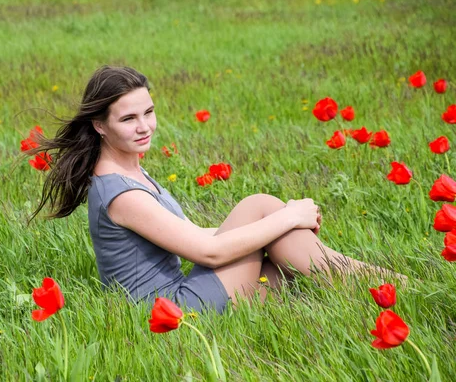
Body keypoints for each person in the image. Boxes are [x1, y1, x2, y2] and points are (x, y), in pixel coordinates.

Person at [30, 65, 402, 314]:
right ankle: (390, 286)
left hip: (183, 294)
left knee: (288, 262)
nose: (145, 126)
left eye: (148, 112)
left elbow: (192, 234)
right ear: (99, 125)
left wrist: (282, 222)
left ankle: (386, 285)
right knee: (262, 207)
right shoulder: (121, 194)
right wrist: (288, 215)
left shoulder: (130, 172)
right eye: (128, 118)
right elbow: (208, 251)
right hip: (175, 309)